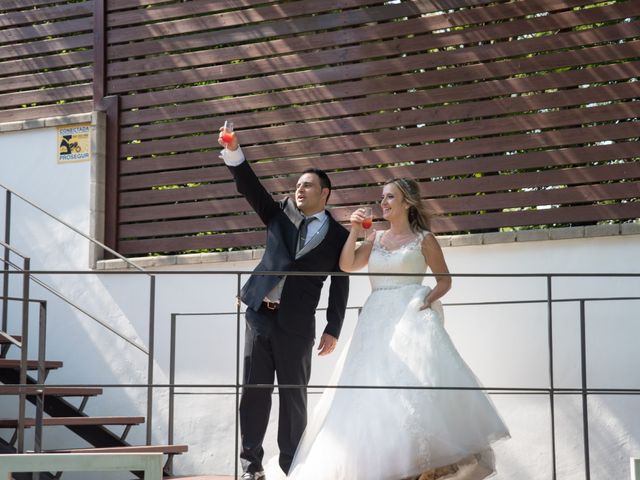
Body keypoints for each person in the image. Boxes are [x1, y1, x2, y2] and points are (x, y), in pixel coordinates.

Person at [267, 177, 509, 480]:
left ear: (407, 202)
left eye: (390, 197)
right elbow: (346, 265)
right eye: (382, 197)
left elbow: (445, 280)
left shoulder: (425, 239)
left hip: (411, 320)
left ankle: (421, 467)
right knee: (370, 394)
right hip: (375, 322)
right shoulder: (376, 238)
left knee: (411, 391)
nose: (383, 203)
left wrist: (425, 300)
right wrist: (355, 230)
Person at [218, 126, 350, 480]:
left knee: (294, 397)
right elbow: (250, 187)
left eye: (307, 185)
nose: (299, 189)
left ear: (325, 193)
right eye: (298, 185)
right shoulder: (278, 213)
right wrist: (234, 151)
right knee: (254, 392)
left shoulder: (339, 236)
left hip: (298, 325)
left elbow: (341, 282)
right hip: (260, 315)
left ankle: (292, 466)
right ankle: (251, 466)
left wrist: (333, 327)